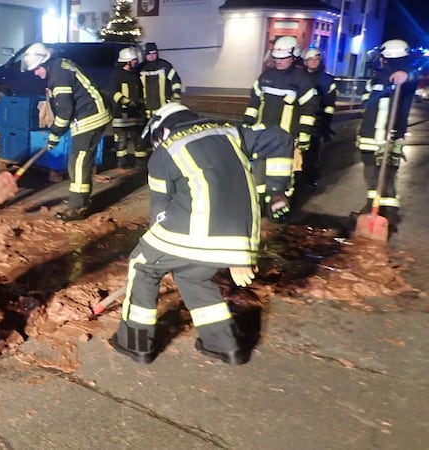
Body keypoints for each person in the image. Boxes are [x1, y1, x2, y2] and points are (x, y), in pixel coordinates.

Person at [108, 103, 293, 365]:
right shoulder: (230, 132)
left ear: (165, 128)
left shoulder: (165, 152)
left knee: (143, 265)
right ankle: (224, 345)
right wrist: (277, 190)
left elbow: (160, 212)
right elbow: (282, 138)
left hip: (195, 232)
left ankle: (135, 344)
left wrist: (153, 248)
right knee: (192, 276)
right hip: (243, 237)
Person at [23, 42, 112, 221]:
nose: (36, 73)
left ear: (44, 62)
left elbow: (65, 112)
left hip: (90, 117)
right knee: (76, 162)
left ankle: (77, 208)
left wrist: (54, 135)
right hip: (88, 115)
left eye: (37, 69)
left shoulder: (58, 77)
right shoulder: (59, 66)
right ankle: (80, 200)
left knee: (78, 163)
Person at [244, 36, 318, 203]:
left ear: (294, 56)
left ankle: (280, 209)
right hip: (262, 135)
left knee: (283, 177)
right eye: (276, 58)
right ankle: (260, 205)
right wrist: (247, 126)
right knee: (259, 173)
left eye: (283, 58)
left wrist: (304, 137)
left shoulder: (302, 80)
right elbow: (254, 103)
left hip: (286, 137)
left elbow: (309, 110)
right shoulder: (265, 77)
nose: (278, 61)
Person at [355, 39, 420, 230]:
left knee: (388, 174)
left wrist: (405, 74)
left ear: (388, 57)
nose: (379, 60)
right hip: (369, 135)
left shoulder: (403, 77)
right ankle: (371, 206)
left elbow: (413, 77)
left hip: (389, 135)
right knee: (370, 172)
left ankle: (390, 213)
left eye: (382, 57)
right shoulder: (376, 78)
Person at [300, 48, 337, 190]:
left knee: (312, 154)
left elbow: (330, 104)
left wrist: (326, 124)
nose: (314, 62)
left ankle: (310, 180)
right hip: (300, 120)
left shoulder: (327, 79)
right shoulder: (299, 77)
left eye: (316, 59)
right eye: (311, 59)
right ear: (305, 62)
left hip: (317, 122)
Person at [107, 47, 147, 169]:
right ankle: (121, 164)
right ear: (127, 61)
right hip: (121, 114)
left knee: (139, 140)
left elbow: (139, 91)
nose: (136, 62)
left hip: (135, 113)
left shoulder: (134, 75)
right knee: (121, 140)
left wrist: (140, 103)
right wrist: (127, 102)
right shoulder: (116, 75)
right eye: (133, 60)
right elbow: (113, 92)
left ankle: (140, 164)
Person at [137, 42, 183, 116]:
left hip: (163, 108)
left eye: (154, 53)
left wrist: (176, 93)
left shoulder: (165, 66)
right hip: (145, 110)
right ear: (145, 54)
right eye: (149, 54)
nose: (151, 56)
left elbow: (175, 80)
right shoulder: (140, 68)